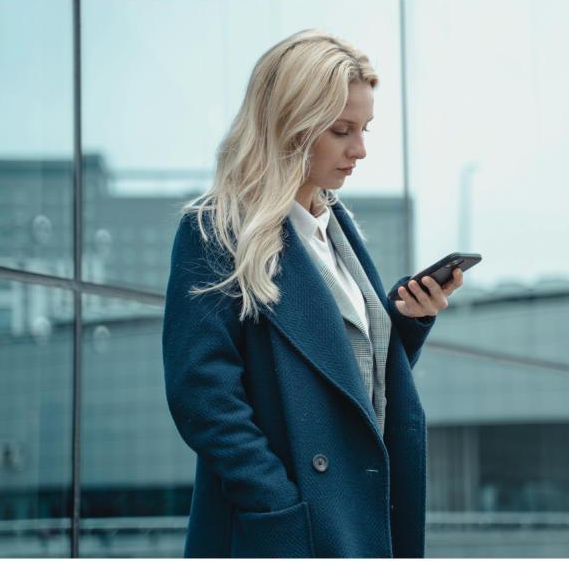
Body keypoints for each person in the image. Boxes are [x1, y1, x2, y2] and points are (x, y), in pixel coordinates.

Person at [162, 28, 463, 558]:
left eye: (365, 128)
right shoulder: (217, 230)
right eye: (342, 130)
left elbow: (344, 388)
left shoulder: (337, 228)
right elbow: (204, 396)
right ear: (291, 126)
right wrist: (277, 504)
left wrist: (403, 323)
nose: (361, 149)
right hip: (288, 530)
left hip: (359, 512)